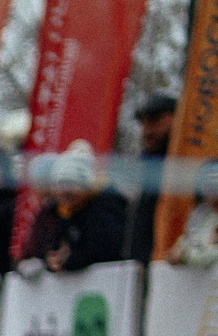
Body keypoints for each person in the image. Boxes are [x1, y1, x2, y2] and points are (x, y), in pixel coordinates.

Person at [20, 140, 129, 274]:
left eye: (72, 189)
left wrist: (70, 260)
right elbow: (37, 248)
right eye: (61, 188)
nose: (67, 197)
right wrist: (46, 261)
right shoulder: (54, 212)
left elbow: (106, 247)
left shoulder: (104, 206)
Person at [128, 90, 179, 264]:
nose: (147, 131)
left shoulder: (185, 167)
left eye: (155, 122)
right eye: (144, 124)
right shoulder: (144, 170)